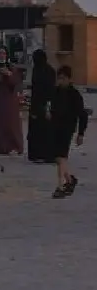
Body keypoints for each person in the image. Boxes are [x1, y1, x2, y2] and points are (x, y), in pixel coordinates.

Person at [47, 65, 88, 198]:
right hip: (55, 128)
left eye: (63, 78)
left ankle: (60, 186)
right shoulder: (56, 91)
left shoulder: (74, 95)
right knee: (58, 158)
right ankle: (70, 180)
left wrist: (81, 133)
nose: (60, 81)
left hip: (67, 128)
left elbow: (83, 115)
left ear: (69, 79)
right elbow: (51, 107)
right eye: (59, 78)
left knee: (61, 157)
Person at [26, 49, 56, 163]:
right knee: (36, 129)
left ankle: (44, 154)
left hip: (44, 104)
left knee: (44, 129)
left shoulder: (48, 71)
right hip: (37, 103)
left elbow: (50, 90)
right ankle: (37, 154)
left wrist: (48, 106)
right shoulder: (37, 69)